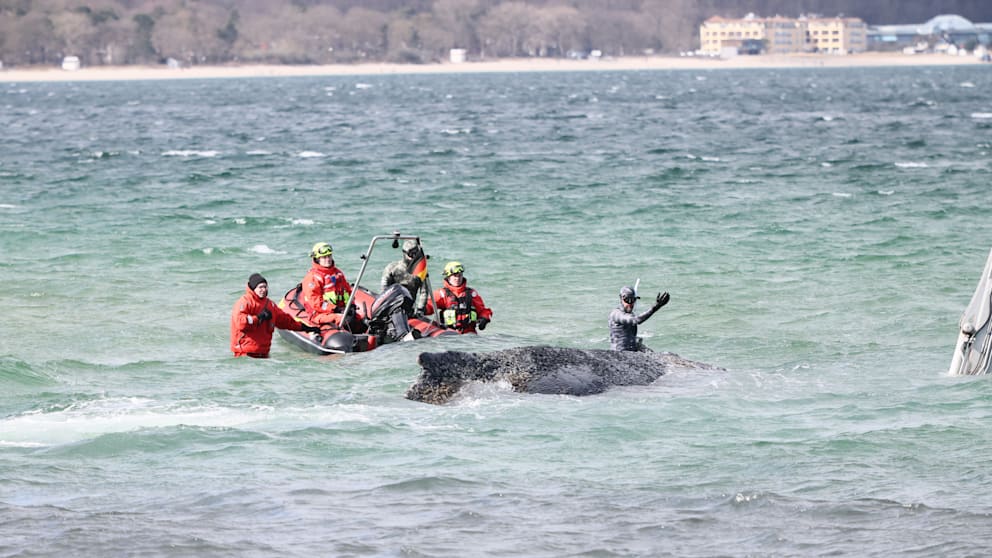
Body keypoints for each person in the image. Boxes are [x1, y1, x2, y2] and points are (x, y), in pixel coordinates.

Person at [230, 273, 320, 358]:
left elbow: (286, 321)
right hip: (245, 353)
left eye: (265, 287)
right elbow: (240, 322)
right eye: (260, 287)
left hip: (263, 353)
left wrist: (306, 328)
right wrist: (258, 318)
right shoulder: (245, 302)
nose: (263, 290)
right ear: (253, 288)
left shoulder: (270, 305)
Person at [425, 261, 493, 334]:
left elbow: (484, 311)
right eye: (454, 275)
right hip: (449, 334)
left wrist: (484, 319)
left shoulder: (471, 294)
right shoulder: (441, 294)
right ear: (448, 277)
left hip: (469, 335)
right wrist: (423, 309)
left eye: (460, 275)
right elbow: (429, 306)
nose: (457, 278)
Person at [301, 242, 353, 327]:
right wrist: (335, 309)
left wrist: (351, 306)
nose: (328, 259)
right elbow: (316, 302)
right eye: (324, 257)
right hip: (319, 314)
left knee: (358, 319)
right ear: (317, 259)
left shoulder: (338, 274)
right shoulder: (313, 278)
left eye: (329, 256)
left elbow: (348, 291)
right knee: (341, 319)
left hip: (339, 309)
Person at [608, 286, 670, 351]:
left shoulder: (630, 314)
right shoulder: (617, 314)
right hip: (619, 353)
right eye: (627, 300)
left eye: (633, 300)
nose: (630, 303)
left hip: (631, 352)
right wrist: (656, 307)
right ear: (621, 298)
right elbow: (636, 320)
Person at [381, 239, 428, 315]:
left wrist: (420, 309)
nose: (413, 257)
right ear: (404, 253)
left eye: (415, 254)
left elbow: (424, 291)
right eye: (411, 254)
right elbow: (384, 288)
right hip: (392, 306)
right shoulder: (392, 268)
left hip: (409, 309)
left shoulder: (420, 271)